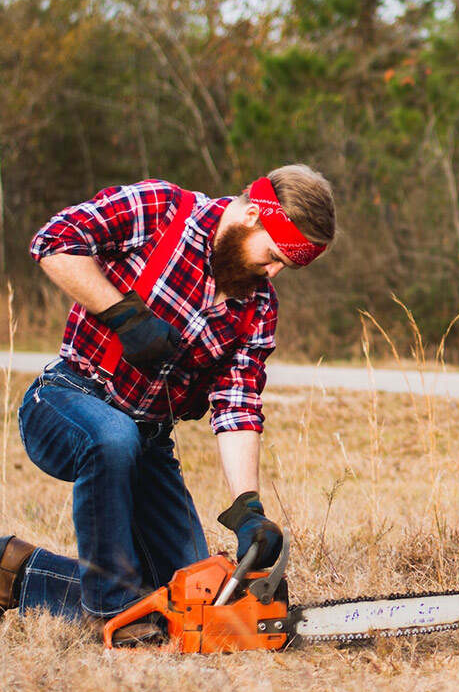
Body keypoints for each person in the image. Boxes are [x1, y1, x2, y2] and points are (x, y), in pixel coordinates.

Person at [0, 164, 335, 643]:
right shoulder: (161, 210)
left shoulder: (258, 306)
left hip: (148, 441)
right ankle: (110, 613)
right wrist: (122, 315)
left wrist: (248, 509)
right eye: (275, 256)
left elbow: (237, 403)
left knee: (194, 607)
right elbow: (54, 240)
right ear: (254, 214)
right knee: (112, 438)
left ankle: (15, 572)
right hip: (67, 399)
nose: (275, 272)